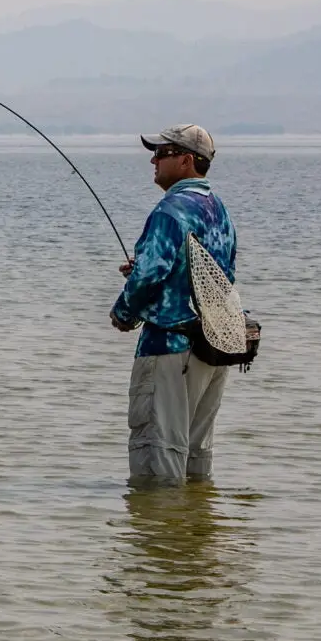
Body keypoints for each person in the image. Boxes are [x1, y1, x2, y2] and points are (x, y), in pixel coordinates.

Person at [111, 124, 235, 487]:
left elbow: (150, 276)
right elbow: (213, 273)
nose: (153, 159)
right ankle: (194, 537)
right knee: (195, 461)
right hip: (212, 349)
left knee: (158, 457)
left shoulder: (170, 210)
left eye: (161, 153)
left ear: (185, 161)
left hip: (169, 349)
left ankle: (160, 537)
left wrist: (123, 313)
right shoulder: (219, 210)